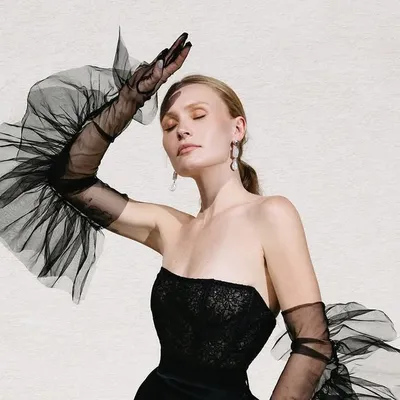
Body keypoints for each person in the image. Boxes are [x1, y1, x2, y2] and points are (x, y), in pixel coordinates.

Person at [0, 30, 399, 400]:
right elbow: (70, 180)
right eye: (169, 124)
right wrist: (131, 99)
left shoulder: (271, 215)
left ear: (236, 129)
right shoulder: (169, 227)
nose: (181, 130)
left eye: (198, 115)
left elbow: (313, 344)